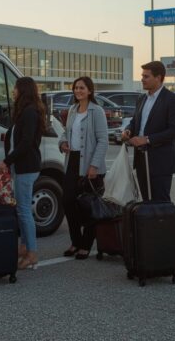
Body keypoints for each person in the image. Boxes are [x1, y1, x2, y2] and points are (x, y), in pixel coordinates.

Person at [0, 77, 45, 270]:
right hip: (22, 167)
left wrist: (6, 161)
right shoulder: (25, 111)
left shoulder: (30, 112)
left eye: (15, 88)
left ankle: (32, 254)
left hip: (26, 167)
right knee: (21, 210)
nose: (13, 91)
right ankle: (24, 248)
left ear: (22, 90)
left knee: (24, 211)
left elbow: (26, 142)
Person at [58, 76, 109, 260]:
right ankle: (75, 241)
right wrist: (63, 143)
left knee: (90, 206)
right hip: (72, 161)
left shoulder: (97, 111)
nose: (78, 91)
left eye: (82, 88)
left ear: (89, 91)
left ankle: (86, 245)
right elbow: (66, 132)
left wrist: (94, 165)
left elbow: (103, 140)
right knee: (68, 201)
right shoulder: (72, 110)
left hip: (90, 163)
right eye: (76, 88)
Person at [121, 61, 175, 202]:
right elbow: (134, 122)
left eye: (146, 76)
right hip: (141, 159)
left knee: (160, 204)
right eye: (142, 76)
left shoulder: (173, 100)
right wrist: (128, 131)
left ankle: (163, 225)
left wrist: (147, 139)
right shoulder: (141, 99)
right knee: (146, 204)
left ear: (159, 77)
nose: (142, 79)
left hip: (161, 161)